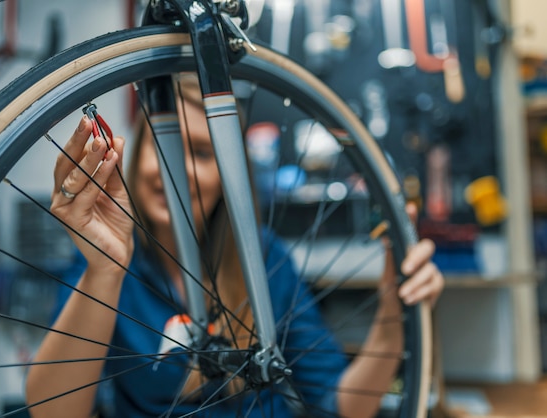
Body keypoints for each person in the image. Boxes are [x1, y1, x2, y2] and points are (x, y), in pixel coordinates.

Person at [25, 75, 444, 418]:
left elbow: (343, 405)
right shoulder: (102, 268)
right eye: (164, 146)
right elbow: (51, 413)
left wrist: (393, 314)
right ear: (136, 156)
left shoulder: (263, 257)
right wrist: (105, 271)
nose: (178, 171)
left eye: (203, 153)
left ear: (229, 176)